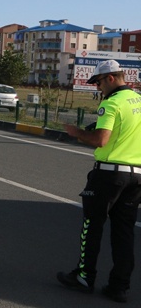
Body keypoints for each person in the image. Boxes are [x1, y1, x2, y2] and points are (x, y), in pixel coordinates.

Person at [58, 60, 141, 303]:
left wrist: (78, 134)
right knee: (124, 232)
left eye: (99, 83)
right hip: (137, 175)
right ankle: (119, 286)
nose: (98, 89)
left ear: (111, 79)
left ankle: (84, 276)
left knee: (92, 225)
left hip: (109, 174)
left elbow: (101, 140)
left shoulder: (112, 102)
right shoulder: (138, 101)